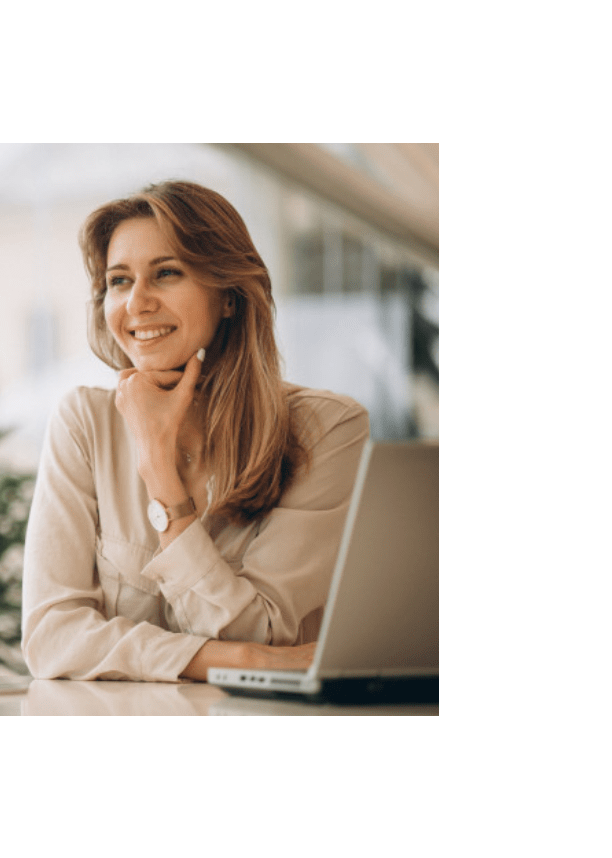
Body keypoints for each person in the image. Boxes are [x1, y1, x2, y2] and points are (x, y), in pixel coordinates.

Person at [21, 181, 369, 682]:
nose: (136, 303)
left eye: (165, 273)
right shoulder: (83, 423)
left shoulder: (327, 429)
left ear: (228, 296)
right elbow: (51, 638)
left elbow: (261, 634)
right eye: (119, 281)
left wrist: (159, 472)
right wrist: (237, 661)